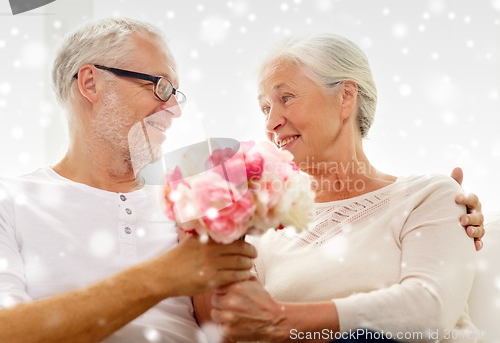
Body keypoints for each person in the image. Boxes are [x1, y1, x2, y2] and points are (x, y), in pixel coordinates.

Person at [198, 34, 485, 342]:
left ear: (346, 97)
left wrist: (282, 321)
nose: (271, 123)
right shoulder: (264, 229)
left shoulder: (428, 195)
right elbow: (236, 330)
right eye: (265, 108)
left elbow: (429, 312)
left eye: (286, 98)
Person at [0, 17, 257, 343]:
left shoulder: (188, 202)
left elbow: (233, 331)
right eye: (160, 86)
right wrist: (163, 275)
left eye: (176, 94)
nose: (175, 109)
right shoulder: (10, 199)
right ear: (90, 83)